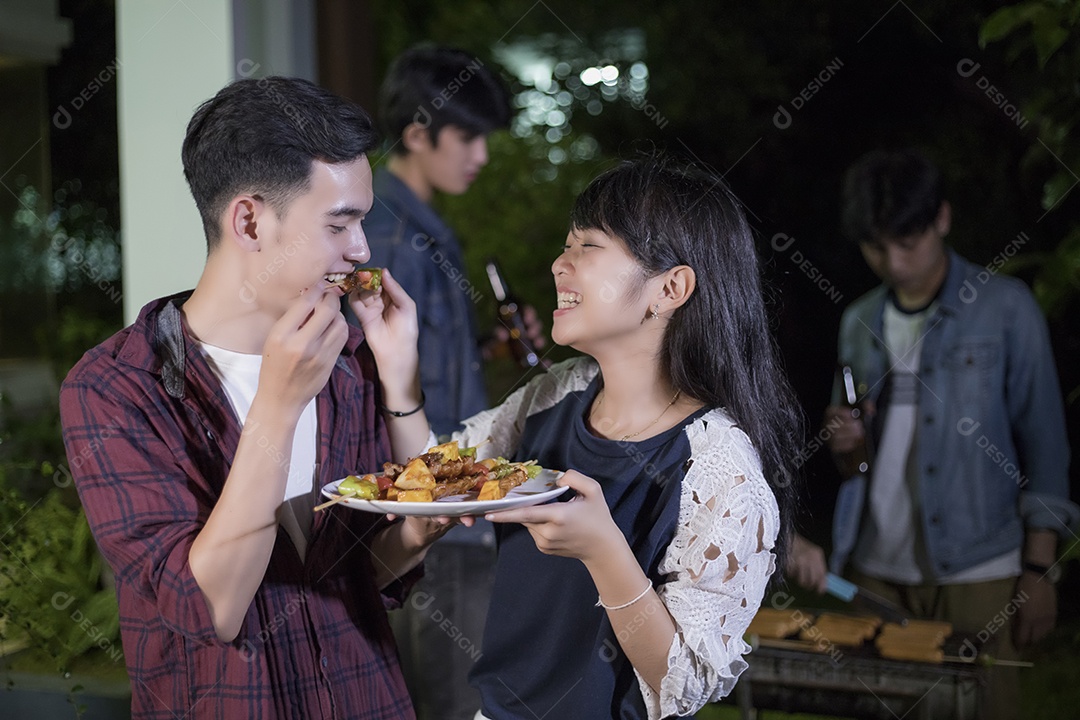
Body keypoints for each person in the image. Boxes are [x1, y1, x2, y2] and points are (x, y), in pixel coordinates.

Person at [59, 76, 457, 719]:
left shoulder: (349, 362)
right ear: (248, 220)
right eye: (340, 222)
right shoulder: (116, 388)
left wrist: (399, 380)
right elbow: (208, 608)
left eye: (362, 219)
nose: (360, 248)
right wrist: (277, 404)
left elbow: (364, 578)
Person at [449, 155, 802, 719]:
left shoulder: (717, 464)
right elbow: (432, 480)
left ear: (670, 288)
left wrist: (602, 549)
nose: (559, 265)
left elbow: (683, 684)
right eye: (567, 245)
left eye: (587, 247)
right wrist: (396, 368)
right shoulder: (554, 395)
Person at [821, 148, 1077, 717]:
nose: (893, 263)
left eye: (906, 244)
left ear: (941, 219)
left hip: (980, 567)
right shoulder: (858, 320)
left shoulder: (1005, 309)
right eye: (875, 248)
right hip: (871, 570)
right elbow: (855, 465)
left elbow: (1046, 444)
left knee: (983, 707)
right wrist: (846, 444)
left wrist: (1039, 569)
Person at [358, 45, 538, 720]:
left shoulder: (420, 229)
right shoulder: (389, 237)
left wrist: (486, 348)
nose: (481, 155)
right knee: (449, 701)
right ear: (416, 134)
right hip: (429, 513)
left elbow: (424, 366)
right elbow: (376, 382)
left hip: (447, 503)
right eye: (468, 137)